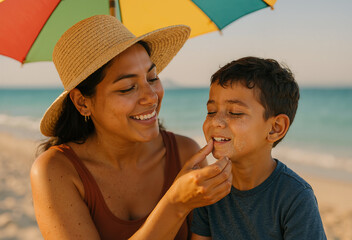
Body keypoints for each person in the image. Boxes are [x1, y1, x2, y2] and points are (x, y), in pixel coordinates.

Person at [30, 15, 232, 240]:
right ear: (82, 102)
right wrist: (176, 203)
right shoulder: (56, 171)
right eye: (127, 88)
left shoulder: (186, 153)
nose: (151, 96)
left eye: (152, 78)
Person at [191, 57, 327, 239]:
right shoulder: (209, 189)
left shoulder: (295, 198)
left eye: (235, 113)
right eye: (211, 111)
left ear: (275, 128)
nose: (216, 121)